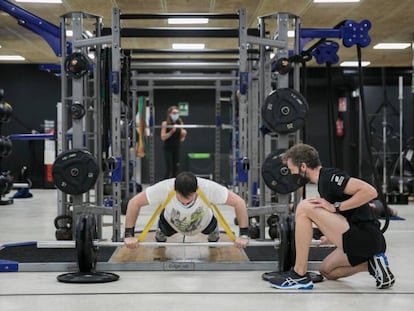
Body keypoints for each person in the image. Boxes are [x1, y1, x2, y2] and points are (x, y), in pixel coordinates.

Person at [267, 143, 395, 290]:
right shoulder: (322, 184)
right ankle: (372, 265)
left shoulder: (330, 177)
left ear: (303, 167)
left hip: (366, 237)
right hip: (367, 242)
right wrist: (331, 234)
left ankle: (299, 274)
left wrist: (336, 207)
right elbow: (347, 213)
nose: (292, 175)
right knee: (327, 271)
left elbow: (370, 191)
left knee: (304, 207)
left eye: (292, 170)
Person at [124, 171, 250, 249]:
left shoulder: (208, 187)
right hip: (171, 222)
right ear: (175, 189)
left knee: (212, 233)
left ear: (196, 190)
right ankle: (161, 233)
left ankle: (213, 234)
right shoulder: (165, 187)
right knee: (161, 235)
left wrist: (244, 234)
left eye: (188, 199)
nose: (185, 202)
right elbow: (134, 203)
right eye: (181, 198)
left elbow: (239, 202)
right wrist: (129, 234)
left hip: (203, 223)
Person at [161, 106, 187, 179]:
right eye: (174, 113)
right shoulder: (165, 123)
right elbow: (163, 137)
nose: (176, 114)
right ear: (169, 114)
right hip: (168, 148)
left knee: (176, 168)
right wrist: (171, 132)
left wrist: (183, 135)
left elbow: (181, 139)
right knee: (169, 167)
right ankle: (165, 185)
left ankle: (175, 186)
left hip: (177, 148)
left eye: (177, 113)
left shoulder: (180, 122)